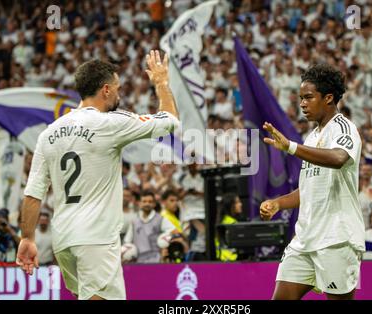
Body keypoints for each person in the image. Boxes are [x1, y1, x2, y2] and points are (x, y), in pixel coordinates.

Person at [17, 50, 180, 300]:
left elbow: (33, 194)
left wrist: (27, 238)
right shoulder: (110, 123)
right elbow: (170, 121)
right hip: (96, 238)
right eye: (117, 88)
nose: (119, 93)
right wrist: (161, 83)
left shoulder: (48, 133)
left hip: (63, 241)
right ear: (105, 90)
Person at [260, 64, 365, 300]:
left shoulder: (344, 128)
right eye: (300, 98)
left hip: (336, 239)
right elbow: (308, 188)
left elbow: (339, 158)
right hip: (305, 239)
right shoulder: (313, 136)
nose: (303, 104)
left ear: (328, 98)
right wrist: (278, 204)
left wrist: (291, 147)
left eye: (308, 97)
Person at [123, 190, 176, 263]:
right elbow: (127, 242)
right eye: (144, 201)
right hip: (138, 262)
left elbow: (174, 232)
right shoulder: (134, 222)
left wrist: (166, 246)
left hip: (157, 261)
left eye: (150, 201)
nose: (147, 204)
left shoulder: (160, 219)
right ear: (140, 203)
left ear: (154, 204)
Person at [215, 193, 243, 262]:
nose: (240, 204)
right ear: (230, 205)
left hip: (219, 259)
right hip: (230, 260)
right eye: (237, 202)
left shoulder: (220, 220)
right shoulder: (232, 223)